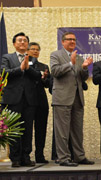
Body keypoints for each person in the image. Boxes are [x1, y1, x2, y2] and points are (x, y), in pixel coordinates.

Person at [50, 32, 94, 166]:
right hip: (62, 98)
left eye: (74, 40)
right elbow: (54, 72)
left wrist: (85, 68)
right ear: (63, 42)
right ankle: (64, 158)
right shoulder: (55, 55)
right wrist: (70, 63)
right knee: (62, 131)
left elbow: (82, 78)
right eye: (69, 39)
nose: (72, 42)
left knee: (77, 130)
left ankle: (79, 156)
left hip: (77, 97)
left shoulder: (79, 58)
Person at [1, 32, 41, 167]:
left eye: (25, 41)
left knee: (28, 129)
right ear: (14, 44)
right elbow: (4, 72)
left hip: (29, 100)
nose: (23, 42)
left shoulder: (32, 59)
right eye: (20, 40)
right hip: (13, 99)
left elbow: (37, 76)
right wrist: (20, 68)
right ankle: (15, 158)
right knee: (14, 129)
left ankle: (26, 156)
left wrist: (28, 68)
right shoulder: (7, 57)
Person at [27, 42, 50, 163]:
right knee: (27, 129)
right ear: (27, 51)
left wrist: (45, 78)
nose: (35, 51)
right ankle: (25, 155)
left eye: (37, 50)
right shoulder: (25, 64)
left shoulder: (44, 66)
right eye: (33, 49)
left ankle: (39, 155)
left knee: (41, 129)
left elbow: (48, 84)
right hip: (28, 102)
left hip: (41, 101)